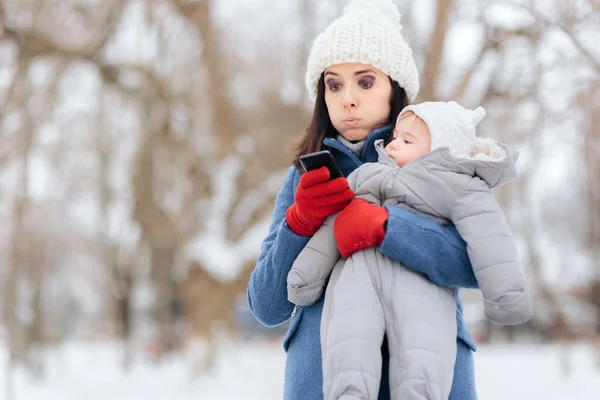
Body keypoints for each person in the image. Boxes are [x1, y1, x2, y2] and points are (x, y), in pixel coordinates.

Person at [248, 1, 479, 399]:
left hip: (432, 376)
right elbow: (267, 306)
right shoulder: (303, 177)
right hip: (321, 379)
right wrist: (299, 224)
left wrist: (388, 230)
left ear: (395, 87)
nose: (347, 99)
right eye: (334, 84)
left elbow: (475, 264)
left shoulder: (436, 159)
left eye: (365, 82)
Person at [286, 101, 534, 399]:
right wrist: (305, 275)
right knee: (349, 342)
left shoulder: (458, 184)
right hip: (357, 279)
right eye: (394, 138)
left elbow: (490, 235)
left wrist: (506, 296)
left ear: (441, 148)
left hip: (419, 285)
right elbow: (333, 226)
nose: (393, 146)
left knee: (422, 353)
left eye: (407, 141)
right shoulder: (366, 176)